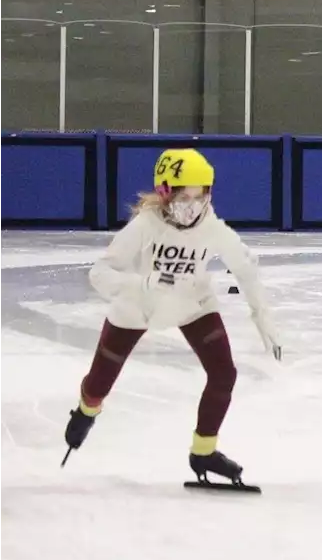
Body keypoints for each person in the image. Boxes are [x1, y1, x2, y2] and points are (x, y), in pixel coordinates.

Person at [63, 148, 283, 489]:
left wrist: (262, 315)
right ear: (165, 193)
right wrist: (142, 284)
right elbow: (100, 273)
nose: (192, 207)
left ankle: (204, 451)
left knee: (224, 373)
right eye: (184, 197)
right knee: (98, 386)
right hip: (136, 307)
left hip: (190, 302)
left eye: (200, 197)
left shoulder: (212, 227)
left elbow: (245, 267)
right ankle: (86, 409)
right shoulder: (145, 226)